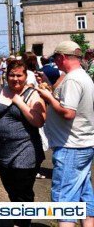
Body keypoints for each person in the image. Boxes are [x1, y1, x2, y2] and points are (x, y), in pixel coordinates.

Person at [36, 41, 94, 226]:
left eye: (55, 58)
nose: (55, 62)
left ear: (61, 57)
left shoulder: (72, 80)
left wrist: (47, 97)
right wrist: (48, 86)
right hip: (82, 144)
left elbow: (68, 113)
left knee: (64, 199)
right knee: (84, 194)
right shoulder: (82, 76)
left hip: (71, 147)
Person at [0, 59, 46, 227]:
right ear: (6, 76)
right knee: (10, 188)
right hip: (3, 151)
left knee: (23, 190)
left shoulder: (32, 94)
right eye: (12, 75)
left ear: (25, 76)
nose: (15, 79)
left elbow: (39, 121)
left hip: (26, 150)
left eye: (19, 75)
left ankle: (23, 223)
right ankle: (19, 218)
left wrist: (20, 103)